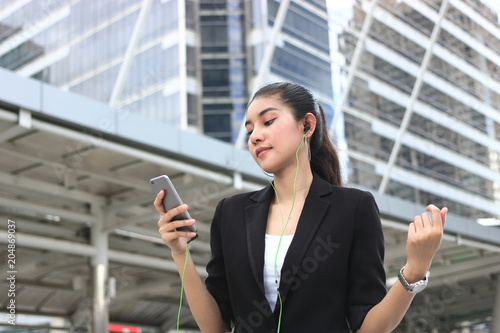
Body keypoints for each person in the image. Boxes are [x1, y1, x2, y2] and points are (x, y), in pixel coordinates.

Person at [155, 82, 447, 332]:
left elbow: (367, 326)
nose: (255, 135)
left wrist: (415, 269)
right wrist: (180, 254)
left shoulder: (353, 208)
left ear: (307, 125)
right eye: (249, 129)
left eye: (268, 121)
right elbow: (217, 326)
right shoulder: (230, 213)